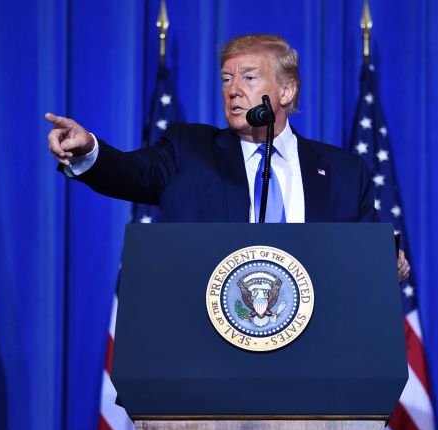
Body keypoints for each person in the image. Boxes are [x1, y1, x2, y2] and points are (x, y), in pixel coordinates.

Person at [45, 34, 409, 281]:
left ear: (286, 90)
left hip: (314, 366)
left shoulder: (344, 172)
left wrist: (387, 265)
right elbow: (130, 172)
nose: (233, 90)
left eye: (249, 78)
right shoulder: (188, 149)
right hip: (208, 364)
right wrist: (89, 150)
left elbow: (366, 256)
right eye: (225, 79)